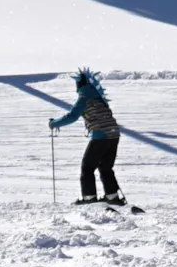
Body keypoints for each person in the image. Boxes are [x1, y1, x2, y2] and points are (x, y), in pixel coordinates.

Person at [51, 66, 124, 204]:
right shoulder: (99, 97)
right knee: (105, 167)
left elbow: (72, 116)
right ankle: (112, 196)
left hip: (101, 135)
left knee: (87, 167)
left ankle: (89, 198)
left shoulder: (84, 97)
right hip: (114, 134)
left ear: (80, 84)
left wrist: (54, 124)